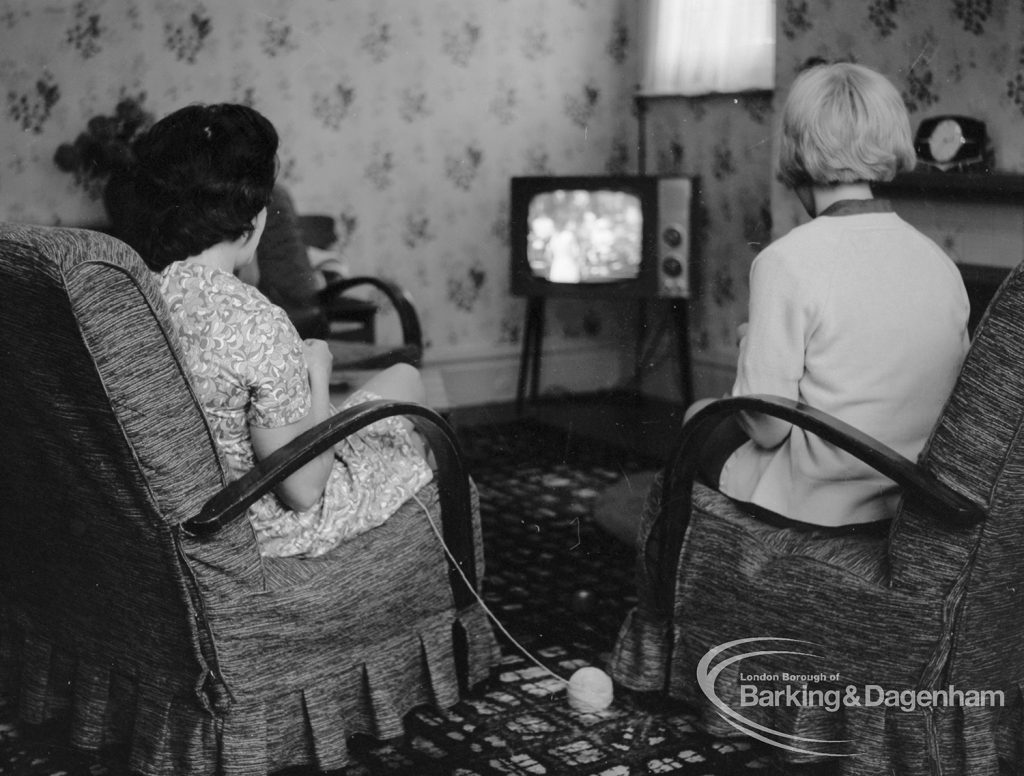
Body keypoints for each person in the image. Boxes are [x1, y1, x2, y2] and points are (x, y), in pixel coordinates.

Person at [115, 103, 433, 558]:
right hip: (266, 526)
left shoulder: (141, 296)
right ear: (255, 218)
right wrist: (316, 372)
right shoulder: (257, 322)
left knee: (400, 378)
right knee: (410, 391)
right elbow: (303, 492)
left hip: (194, 510)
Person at [696, 62, 970, 530]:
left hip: (820, 501)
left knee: (697, 418)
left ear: (798, 149)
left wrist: (750, 351)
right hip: (910, 495)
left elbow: (767, 428)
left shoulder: (785, 261)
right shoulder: (938, 261)